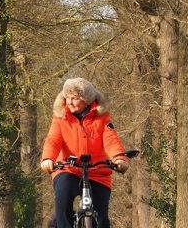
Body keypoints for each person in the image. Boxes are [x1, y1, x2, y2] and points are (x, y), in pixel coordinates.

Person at [40, 78, 129, 228]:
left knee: (101, 219)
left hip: (97, 171)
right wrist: (48, 158)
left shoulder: (102, 117)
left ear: (86, 100)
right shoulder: (61, 117)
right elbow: (53, 140)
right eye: (67, 97)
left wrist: (119, 158)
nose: (69, 102)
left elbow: (111, 139)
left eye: (74, 98)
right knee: (63, 191)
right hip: (69, 168)